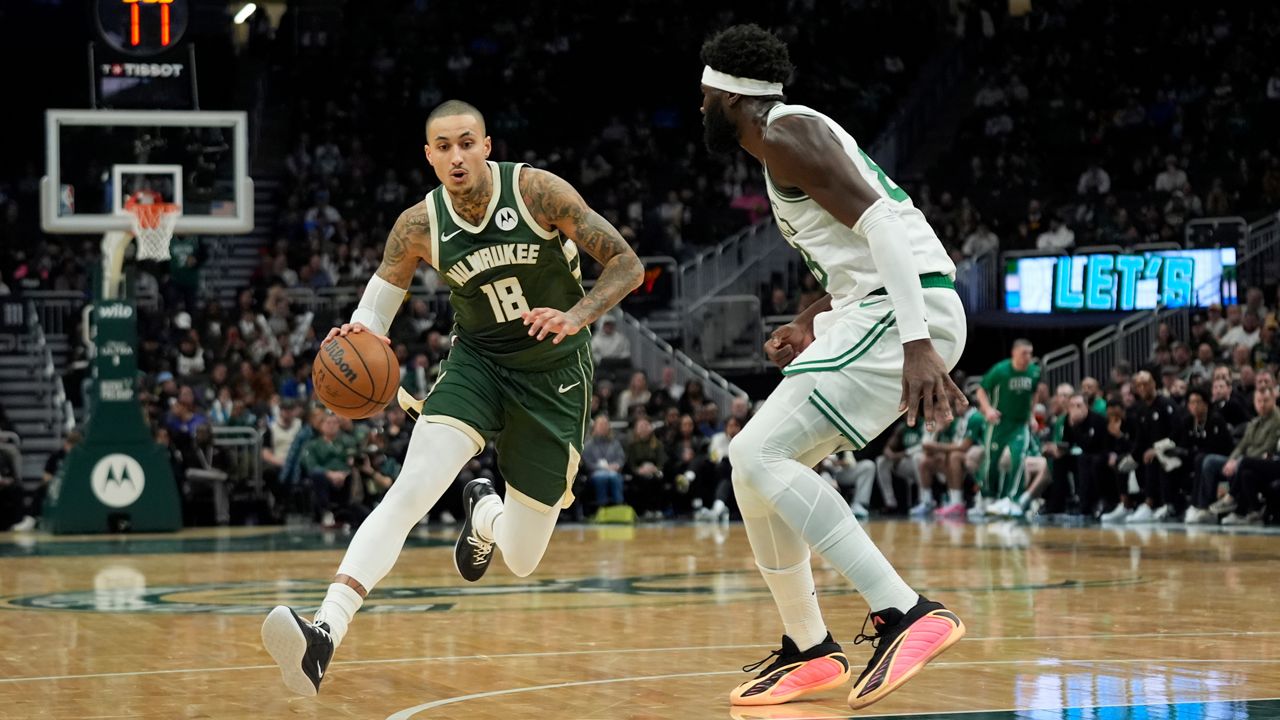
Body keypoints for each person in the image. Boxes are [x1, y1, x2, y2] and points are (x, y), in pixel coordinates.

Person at [262, 99, 644, 697]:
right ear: (430, 156)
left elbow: (627, 264)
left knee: (523, 557)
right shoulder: (419, 224)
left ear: (487, 146)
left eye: (467, 143)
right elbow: (378, 305)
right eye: (444, 147)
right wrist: (359, 333)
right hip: (478, 365)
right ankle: (324, 631)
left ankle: (484, 510)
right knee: (410, 489)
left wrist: (576, 314)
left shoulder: (537, 192)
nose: (457, 156)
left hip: (554, 376)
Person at [699, 25, 967, 710]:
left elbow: (884, 225)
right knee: (754, 470)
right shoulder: (781, 142)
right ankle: (810, 648)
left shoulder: (788, 132)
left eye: (705, 94)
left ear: (730, 97)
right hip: (875, 307)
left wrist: (916, 343)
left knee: (757, 453)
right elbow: (859, 256)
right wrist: (809, 319)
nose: (700, 105)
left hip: (905, 311)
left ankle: (906, 612)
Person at [974, 340, 1041, 518]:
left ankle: (1013, 499)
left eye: (1030, 353)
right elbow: (981, 390)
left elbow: (1034, 393)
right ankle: (988, 496)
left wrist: (1032, 415)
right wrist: (988, 409)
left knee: (1018, 458)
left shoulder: (1034, 371)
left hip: (1020, 424)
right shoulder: (1000, 370)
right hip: (999, 423)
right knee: (991, 461)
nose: (1028, 357)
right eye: (1024, 353)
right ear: (1014, 353)